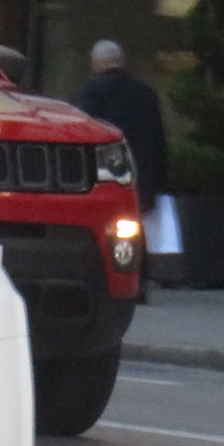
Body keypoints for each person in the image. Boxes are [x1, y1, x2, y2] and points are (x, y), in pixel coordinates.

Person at [75, 40, 169, 296]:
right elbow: (158, 137)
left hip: (108, 171)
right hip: (143, 170)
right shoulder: (146, 92)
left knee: (110, 225)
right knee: (136, 224)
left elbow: (85, 129)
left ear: (100, 62)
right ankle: (141, 277)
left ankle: (114, 278)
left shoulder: (94, 89)